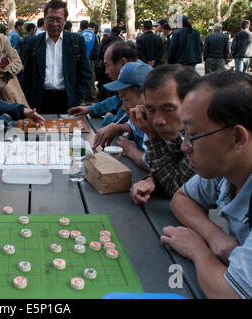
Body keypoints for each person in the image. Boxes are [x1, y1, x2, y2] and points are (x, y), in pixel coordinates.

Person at [162, 71, 252, 299]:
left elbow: (228, 293)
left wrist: (197, 249)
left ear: (237, 138)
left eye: (193, 135)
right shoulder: (224, 171)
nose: (184, 147)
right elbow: (181, 198)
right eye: (184, 134)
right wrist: (214, 235)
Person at [129, 64, 199, 206]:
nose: (157, 121)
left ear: (192, 103)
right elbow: (174, 171)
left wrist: (151, 134)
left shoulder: (203, 138)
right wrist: (153, 180)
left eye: (168, 109)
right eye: (151, 110)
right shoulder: (182, 131)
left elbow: (174, 187)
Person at [21, 0, 92, 114]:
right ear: (45, 18)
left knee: (66, 131)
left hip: (68, 101)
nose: (54, 24)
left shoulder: (76, 41)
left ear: (65, 20)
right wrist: (28, 100)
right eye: (51, 19)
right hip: (39, 101)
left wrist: (77, 97)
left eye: (58, 19)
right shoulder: (33, 43)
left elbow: (86, 73)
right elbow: (26, 76)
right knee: (41, 131)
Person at [91, 62, 153, 172]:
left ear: (145, 95)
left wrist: (131, 151)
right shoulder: (140, 114)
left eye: (125, 99)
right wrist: (117, 127)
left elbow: (154, 163)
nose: (123, 107)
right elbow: (133, 128)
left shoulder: (157, 121)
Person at [68, 41, 137, 127]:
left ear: (123, 63)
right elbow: (116, 100)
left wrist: (108, 117)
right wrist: (89, 109)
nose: (106, 71)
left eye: (107, 65)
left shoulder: (135, 83)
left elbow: (120, 123)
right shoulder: (133, 75)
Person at [96, 26, 123, 101]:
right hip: (117, 65)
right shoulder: (121, 40)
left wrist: (100, 61)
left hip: (106, 64)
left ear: (111, 32)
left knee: (105, 81)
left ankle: (104, 98)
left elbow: (100, 51)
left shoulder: (106, 40)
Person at [80, 20, 98, 104]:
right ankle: (93, 99)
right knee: (91, 79)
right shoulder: (94, 35)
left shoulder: (80, 35)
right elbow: (96, 49)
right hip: (90, 60)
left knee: (82, 78)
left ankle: (82, 99)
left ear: (80, 27)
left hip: (81, 60)